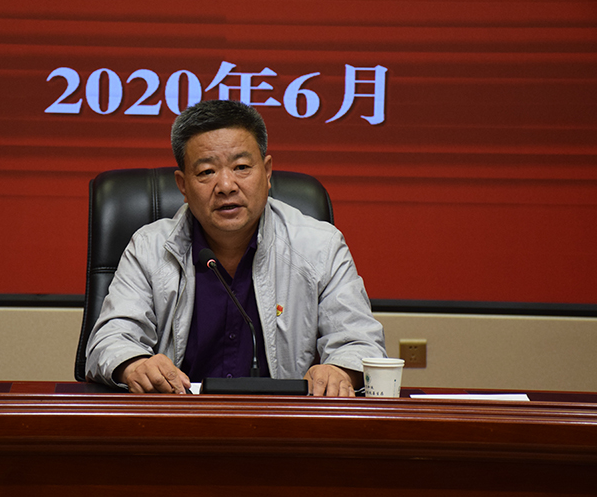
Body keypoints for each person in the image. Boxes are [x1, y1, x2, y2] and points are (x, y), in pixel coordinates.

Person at [85, 100, 386, 396]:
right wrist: (135, 365)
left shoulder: (320, 246)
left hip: (283, 422)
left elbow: (361, 343)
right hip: (178, 419)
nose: (226, 185)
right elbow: (109, 341)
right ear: (183, 185)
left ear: (267, 172)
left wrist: (339, 370)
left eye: (241, 167)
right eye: (206, 172)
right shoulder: (149, 248)